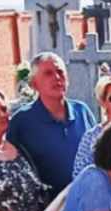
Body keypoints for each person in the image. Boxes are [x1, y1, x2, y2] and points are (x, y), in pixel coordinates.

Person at [7, 52, 96, 192]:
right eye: (48, 73)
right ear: (34, 84)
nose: (57, 78)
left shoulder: (82, 111)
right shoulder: (21, 122)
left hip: (87, 199)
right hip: (47, 207)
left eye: (60, 72)